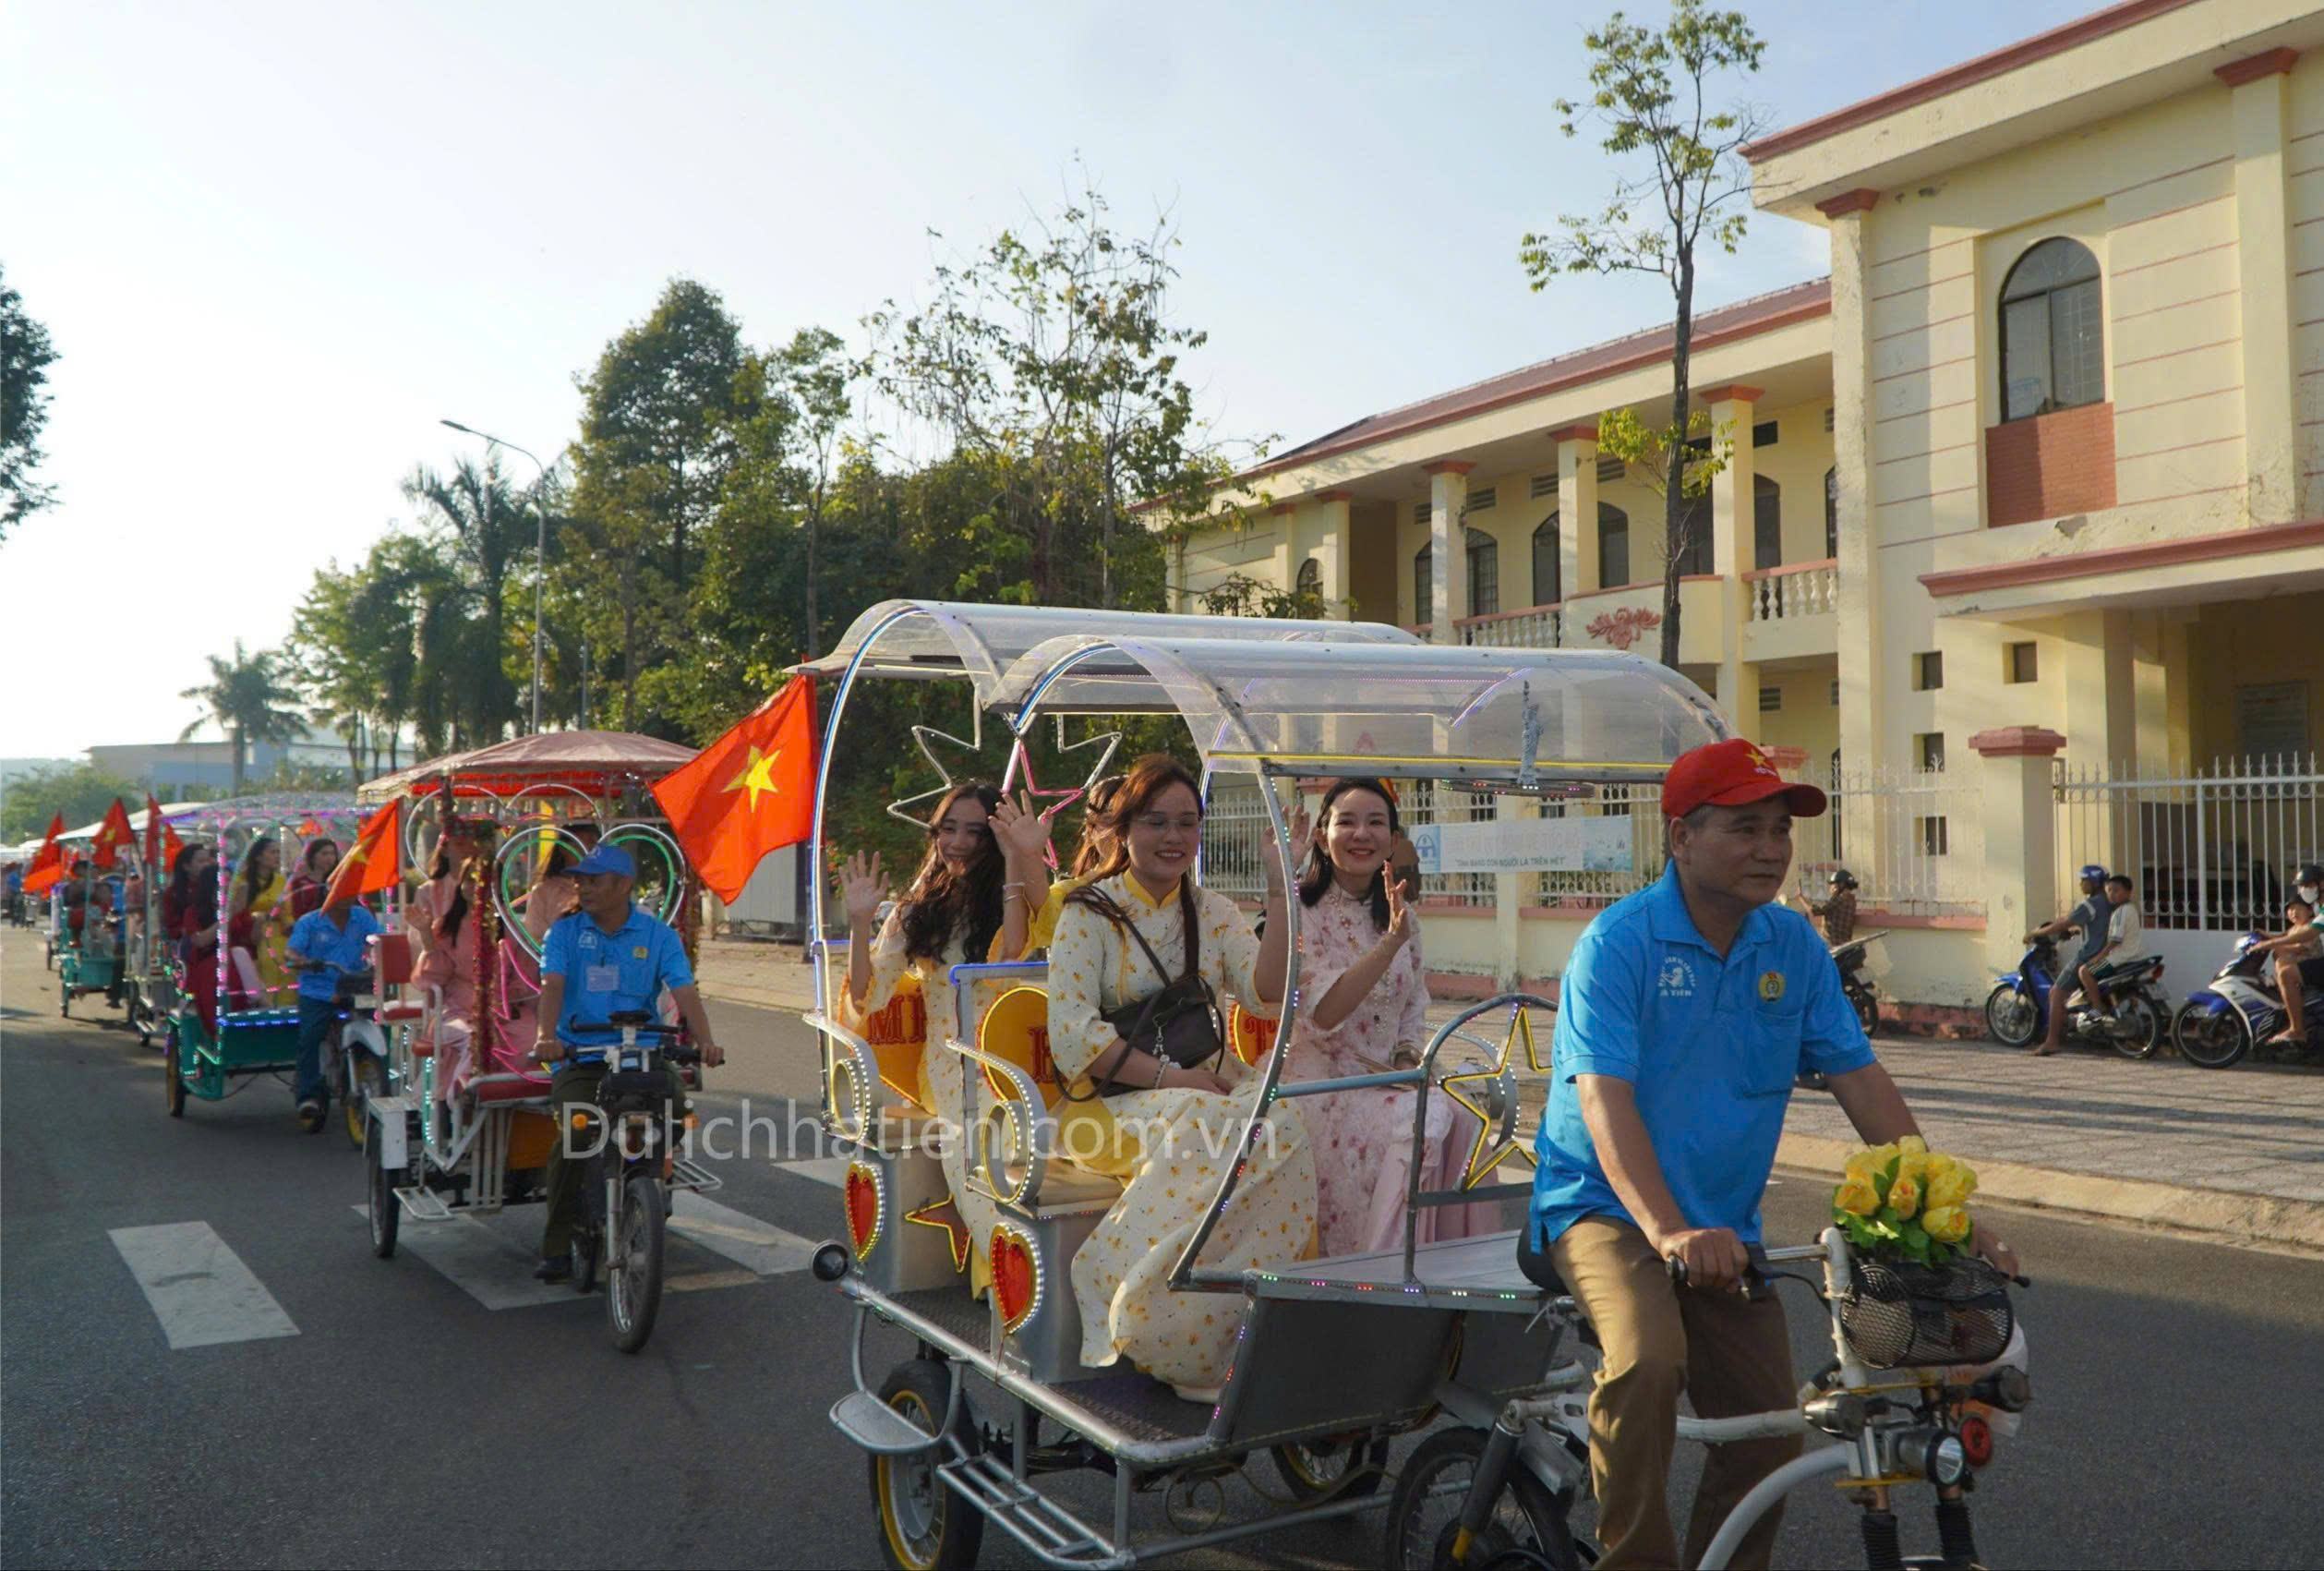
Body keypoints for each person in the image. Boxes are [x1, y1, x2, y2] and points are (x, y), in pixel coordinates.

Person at [1522, 737, 2019, 1571]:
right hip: (1605, 1205)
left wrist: (1951, 1213)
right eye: (1743, 828)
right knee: (1646, 1362)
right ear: (1679, 836)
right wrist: (1670, 1230)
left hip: (1722, 1224)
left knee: (1771, 1429)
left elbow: (1861, 1082)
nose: (1769, 849)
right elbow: (1601, 1103)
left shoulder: (1790, 947)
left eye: (1779, 830)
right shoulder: (1618, 945)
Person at [1044, 753, 1317, 1401]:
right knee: (1213, 1123)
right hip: (1106, 1103)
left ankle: (1232, 1320)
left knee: (1285, 1119)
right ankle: (1141, 1306)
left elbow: (1267, 991)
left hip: (1202, 1086)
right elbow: (1073, 1037)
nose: (1172, 837)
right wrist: (1174, 1079)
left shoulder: (1210, 909)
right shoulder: (1087, 911)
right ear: (1123, 828)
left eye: (1186, 823)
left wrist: (1280, 892)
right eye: (1155, 821)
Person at [838, 784, 1049, 1290]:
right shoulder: (918, 910)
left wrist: (1021, 862)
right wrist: (860, 923)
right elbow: (869, 996)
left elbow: (1013, 961)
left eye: (975, 832)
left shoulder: (1020, 896)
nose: (957, 842)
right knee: (988, 1161)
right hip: (955, 1068)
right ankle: (1010, 1285)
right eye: (947, 828)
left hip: (1026, 1062)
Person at [1282, 777, 1493, 1257]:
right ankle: (1381, 1265)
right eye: (1347, 822)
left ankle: (1452, 1266)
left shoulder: (1403, 916)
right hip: (1320, 1090)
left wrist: (1405, 1055)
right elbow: (1323, 1013)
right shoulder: (1300, 914)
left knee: (1467, 1119)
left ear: (1393, 840)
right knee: (1425, 1116)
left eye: (1376, 823)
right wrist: (1388, 945)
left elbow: (1414, 1003)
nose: (1362, 834)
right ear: (1320, 835)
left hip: (1385, 1085)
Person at [529, 844, 724, 1282]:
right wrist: (546, 1038)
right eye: (580, 880)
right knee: (574, 1136)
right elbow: (552, 984)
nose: (583, 887)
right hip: (583, 1057)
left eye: (594, 880)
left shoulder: (658, 935)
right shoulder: (563, 933)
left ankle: (650, 1187)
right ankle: (557, 1244)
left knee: (675, 1107)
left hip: (643, 1054)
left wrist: (707, 1042)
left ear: (623, 885)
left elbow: (683, 989)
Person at [284, 883, 382, 1130]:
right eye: (340, 891)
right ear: (327, 894)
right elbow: (291, 952)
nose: (346, 897)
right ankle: (306, 1095)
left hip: (355, 987)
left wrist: (374, 957)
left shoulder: (362, 917)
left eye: (350, 892)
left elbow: (377, 941)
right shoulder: (309, 922)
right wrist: (305, 962)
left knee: (382, 1027)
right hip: (318, 992)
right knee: (310, 1037)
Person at [408, 822, 483, 1067]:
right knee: (471, 1038)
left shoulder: (498, 922)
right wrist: (429, 935)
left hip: (495, 1004)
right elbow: (422, 947)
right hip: (448, 988)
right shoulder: (430, 895)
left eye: (469, 842)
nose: (465, 847)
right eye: (457, 842)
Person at [2029, 864, 2114, 1057]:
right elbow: (2095, 926)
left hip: (2089, 955)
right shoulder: (2108, 902)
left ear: (2093, 883)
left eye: (2083, 880)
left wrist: (2036, 933)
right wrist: (2077, 931)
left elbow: (2063, 923)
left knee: (2056, 993)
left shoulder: (2091, 904)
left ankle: (2052, 1042)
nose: (2081, 884)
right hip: (2106, 954)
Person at [2060, 872, 2149, 1043]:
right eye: (2109, 890)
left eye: (2116, 890)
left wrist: (2099, 957)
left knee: (2085, 971)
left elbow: (2115, 940)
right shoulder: (2130, 909)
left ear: (2128, 892)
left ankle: (2098, 1007)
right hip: (2134, 956)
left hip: (2121, 957)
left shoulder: (2121, 912)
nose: (2112, 894)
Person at [2254, 866, 2324, 1048]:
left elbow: (2308, 934)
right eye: (2301, 887)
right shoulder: (2319, 907)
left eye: (2307, 885)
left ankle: (2297, 1030)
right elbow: (2294, 933)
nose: (2304, 891)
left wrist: (2270, 944)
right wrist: (2269, 938)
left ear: (2321, 885)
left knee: (2287, 974)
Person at [163, 842, 220, 1033]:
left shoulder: (218, 885)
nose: (207, 863)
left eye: (209, 859)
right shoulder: (175, 893)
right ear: (186, 866)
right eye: (201, 860)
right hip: (191, 942)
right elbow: (173, 926)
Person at [228, 836, 290, 1003]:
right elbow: (235, 911)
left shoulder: (281, 880)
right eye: (272, 852)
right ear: (257, 857)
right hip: (251, 935)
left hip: (278, 933)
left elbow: (287, 911)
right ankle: (267, 1006)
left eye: (278, 852)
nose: (277, 856)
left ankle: (286, 1008)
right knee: (267, 962)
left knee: (287, 964)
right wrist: (259, 917)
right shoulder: (241, 881)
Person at [1794, 867, 1859, 945]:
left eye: (1833, 884)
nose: (1831, 887)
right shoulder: (1852, 900)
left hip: (1831, 942)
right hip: (1843, 943)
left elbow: (1815, 911)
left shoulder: (1839, 899)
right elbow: (1825, 908)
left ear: (1841, 885)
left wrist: (1800, 898)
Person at [287, 838, 340, 921]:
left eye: (333, 854)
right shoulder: (300, 883)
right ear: (312, 857)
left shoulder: (339, 881)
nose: (329, 858)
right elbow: (297, 912)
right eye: (324, 854)